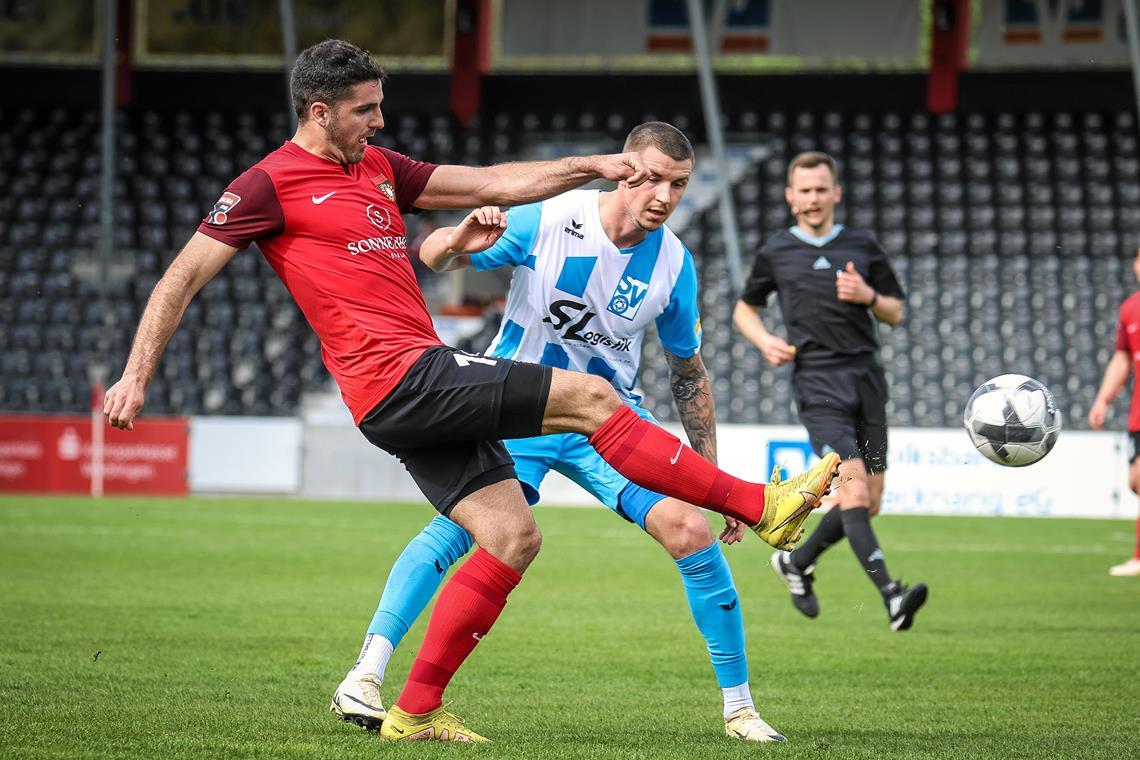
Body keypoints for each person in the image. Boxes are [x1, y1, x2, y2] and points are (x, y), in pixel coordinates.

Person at [102, 40, 839, 743]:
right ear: (317, 110)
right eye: (365, 109)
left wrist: (592, 163)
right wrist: (137, 375)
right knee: (595, 399)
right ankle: (760, 504)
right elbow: (182, 276)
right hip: (400, 376)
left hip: (405, 386)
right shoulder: (266, 184)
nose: (380, 120)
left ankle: (414, 709)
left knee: (512, 537)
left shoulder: (380, 168)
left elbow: (490, 182)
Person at [330, 122, 791, 743]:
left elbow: (690, 375)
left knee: (691, 528)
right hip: (519, 411)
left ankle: (740, 710)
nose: (663, 195)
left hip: (608, 425)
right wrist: (460, 240)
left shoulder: (675, 266)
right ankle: (366, 674)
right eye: (651, 177)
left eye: (678, 184)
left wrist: (709, 476)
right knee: (459, 534)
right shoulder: (550, 217)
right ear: (624, 168)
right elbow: (435, 252)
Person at [732, 151, 927, 631]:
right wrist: (766, 342)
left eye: (822, 189)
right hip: (817, 383)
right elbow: (744, 309)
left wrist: (869, 298)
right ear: (789, 196)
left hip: (867, 380)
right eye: (805, 190)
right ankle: (892, 594)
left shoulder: (863, 244)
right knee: (853, 489)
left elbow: (896, 312)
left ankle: (796, 565)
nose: (813, 198)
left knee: (870, 499)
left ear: (836, 193)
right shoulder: (777, 250)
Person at [1088, 247, 1140, 577]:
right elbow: (1123, 357)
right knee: (1136, 482)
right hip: (1139, 414)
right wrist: (1103, 399)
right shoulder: (1130, 309)